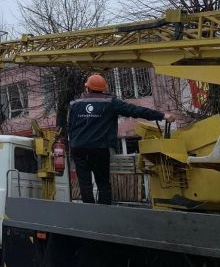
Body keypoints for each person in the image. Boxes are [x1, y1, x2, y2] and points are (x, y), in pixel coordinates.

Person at [68, 74, 175, 205]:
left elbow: (70, 126)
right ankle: (103, 211)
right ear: (104, 89)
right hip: (99, 148)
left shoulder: (74, 104)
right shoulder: (110, 103)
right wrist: (162, 115)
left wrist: (74, 143)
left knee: (84, 183)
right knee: (103, 183)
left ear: (87, 88)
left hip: (78, 148)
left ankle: (88, 211)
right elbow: (135, 110)